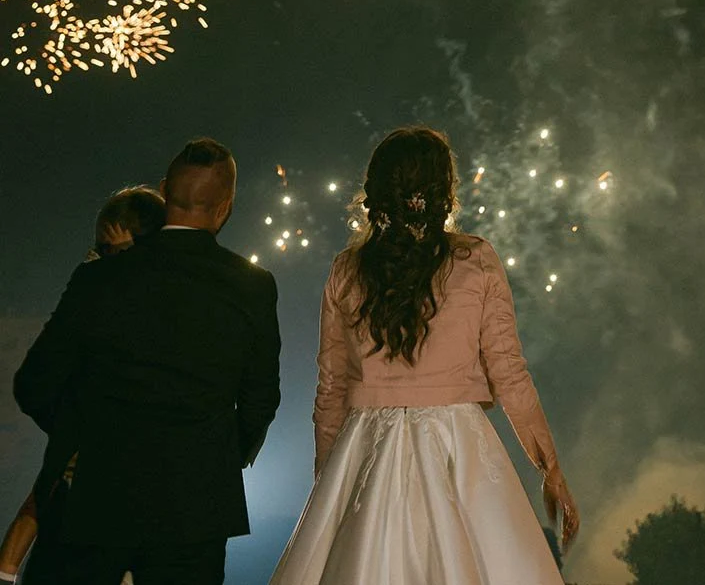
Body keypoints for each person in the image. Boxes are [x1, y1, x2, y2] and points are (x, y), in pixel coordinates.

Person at [269, 124, 579, 585]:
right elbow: (509, 374)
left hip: (365, 448)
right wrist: (548, 467)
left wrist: (328, 480)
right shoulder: (477, 260)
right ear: (443, 191)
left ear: (375, 191)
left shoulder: (345, 270)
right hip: (458, 442)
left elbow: (330, 388)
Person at [14, 137, 281, 585]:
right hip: (195, 507)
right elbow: (261, 400)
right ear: (226, 206)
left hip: (98, 498)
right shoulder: (251, 286)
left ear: (164, 189)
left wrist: (85, 429)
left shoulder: (99, 278)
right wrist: (215, 454)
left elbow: (34, 385)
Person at [0, 185, 166, 585]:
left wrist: (73, 422)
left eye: (107, 249)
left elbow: (34, 383)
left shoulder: (95, 289)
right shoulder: (188, 302)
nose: (96, 258)